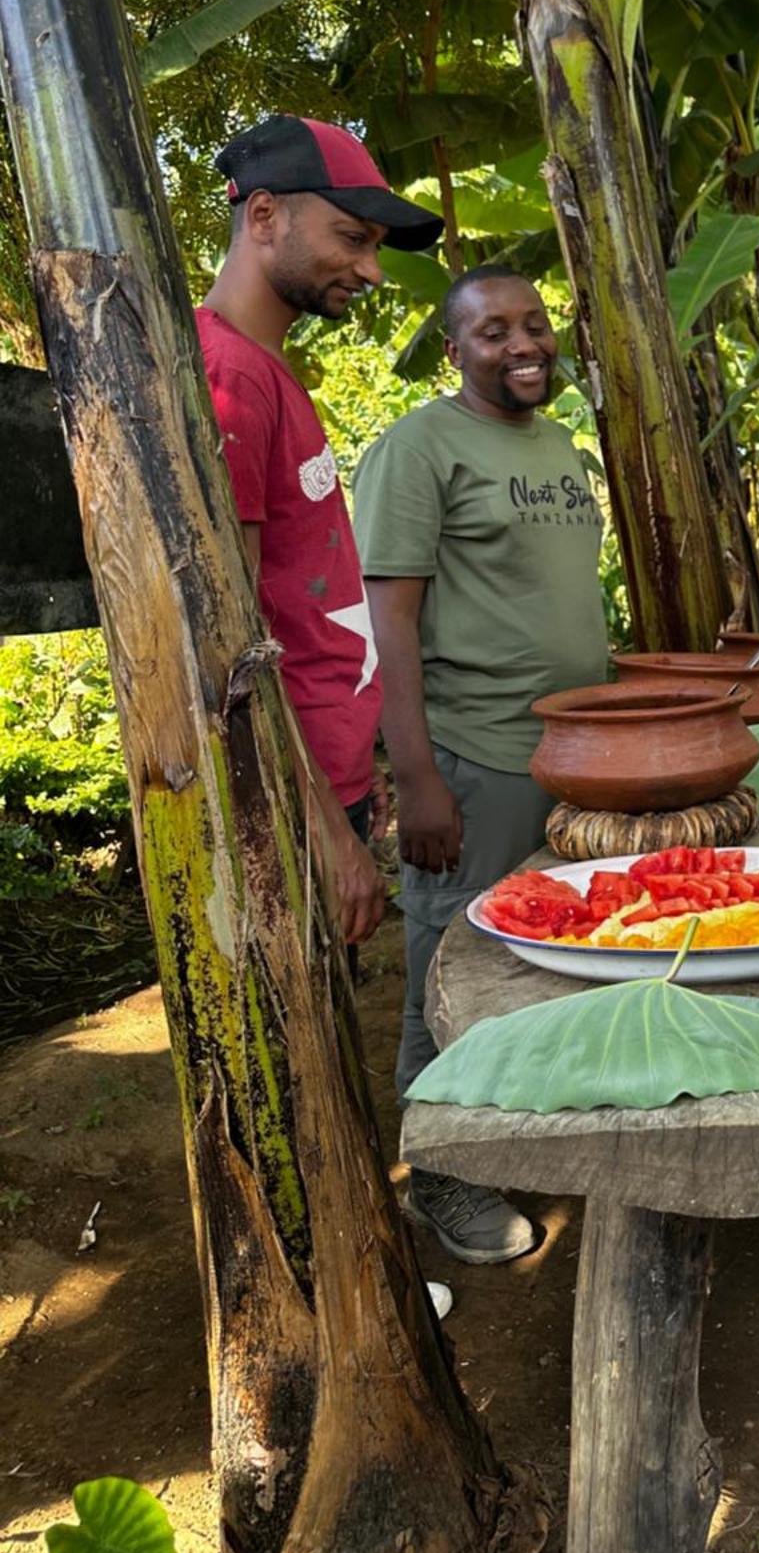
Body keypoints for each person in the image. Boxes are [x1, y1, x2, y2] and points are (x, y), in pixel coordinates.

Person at [355, 265, 610, 1264]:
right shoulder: (419, 449)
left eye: (534, 323)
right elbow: (393, 621)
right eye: (492, 329)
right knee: (448, 965)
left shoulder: (559, 447)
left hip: (572, 756)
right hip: (475, 755)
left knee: (546, 954)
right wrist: (416, 776)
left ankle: (516, 1124)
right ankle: (445, 1172)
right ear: (455, 348)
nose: (522, 343)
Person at [198, 114, 443, 946]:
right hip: (281, 801)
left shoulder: (265, 370)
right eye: (352, 238)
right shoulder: (228, 376)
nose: (371, 269)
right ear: (264, 217)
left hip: (318, 779)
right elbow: (233, 640)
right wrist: (329, 834)